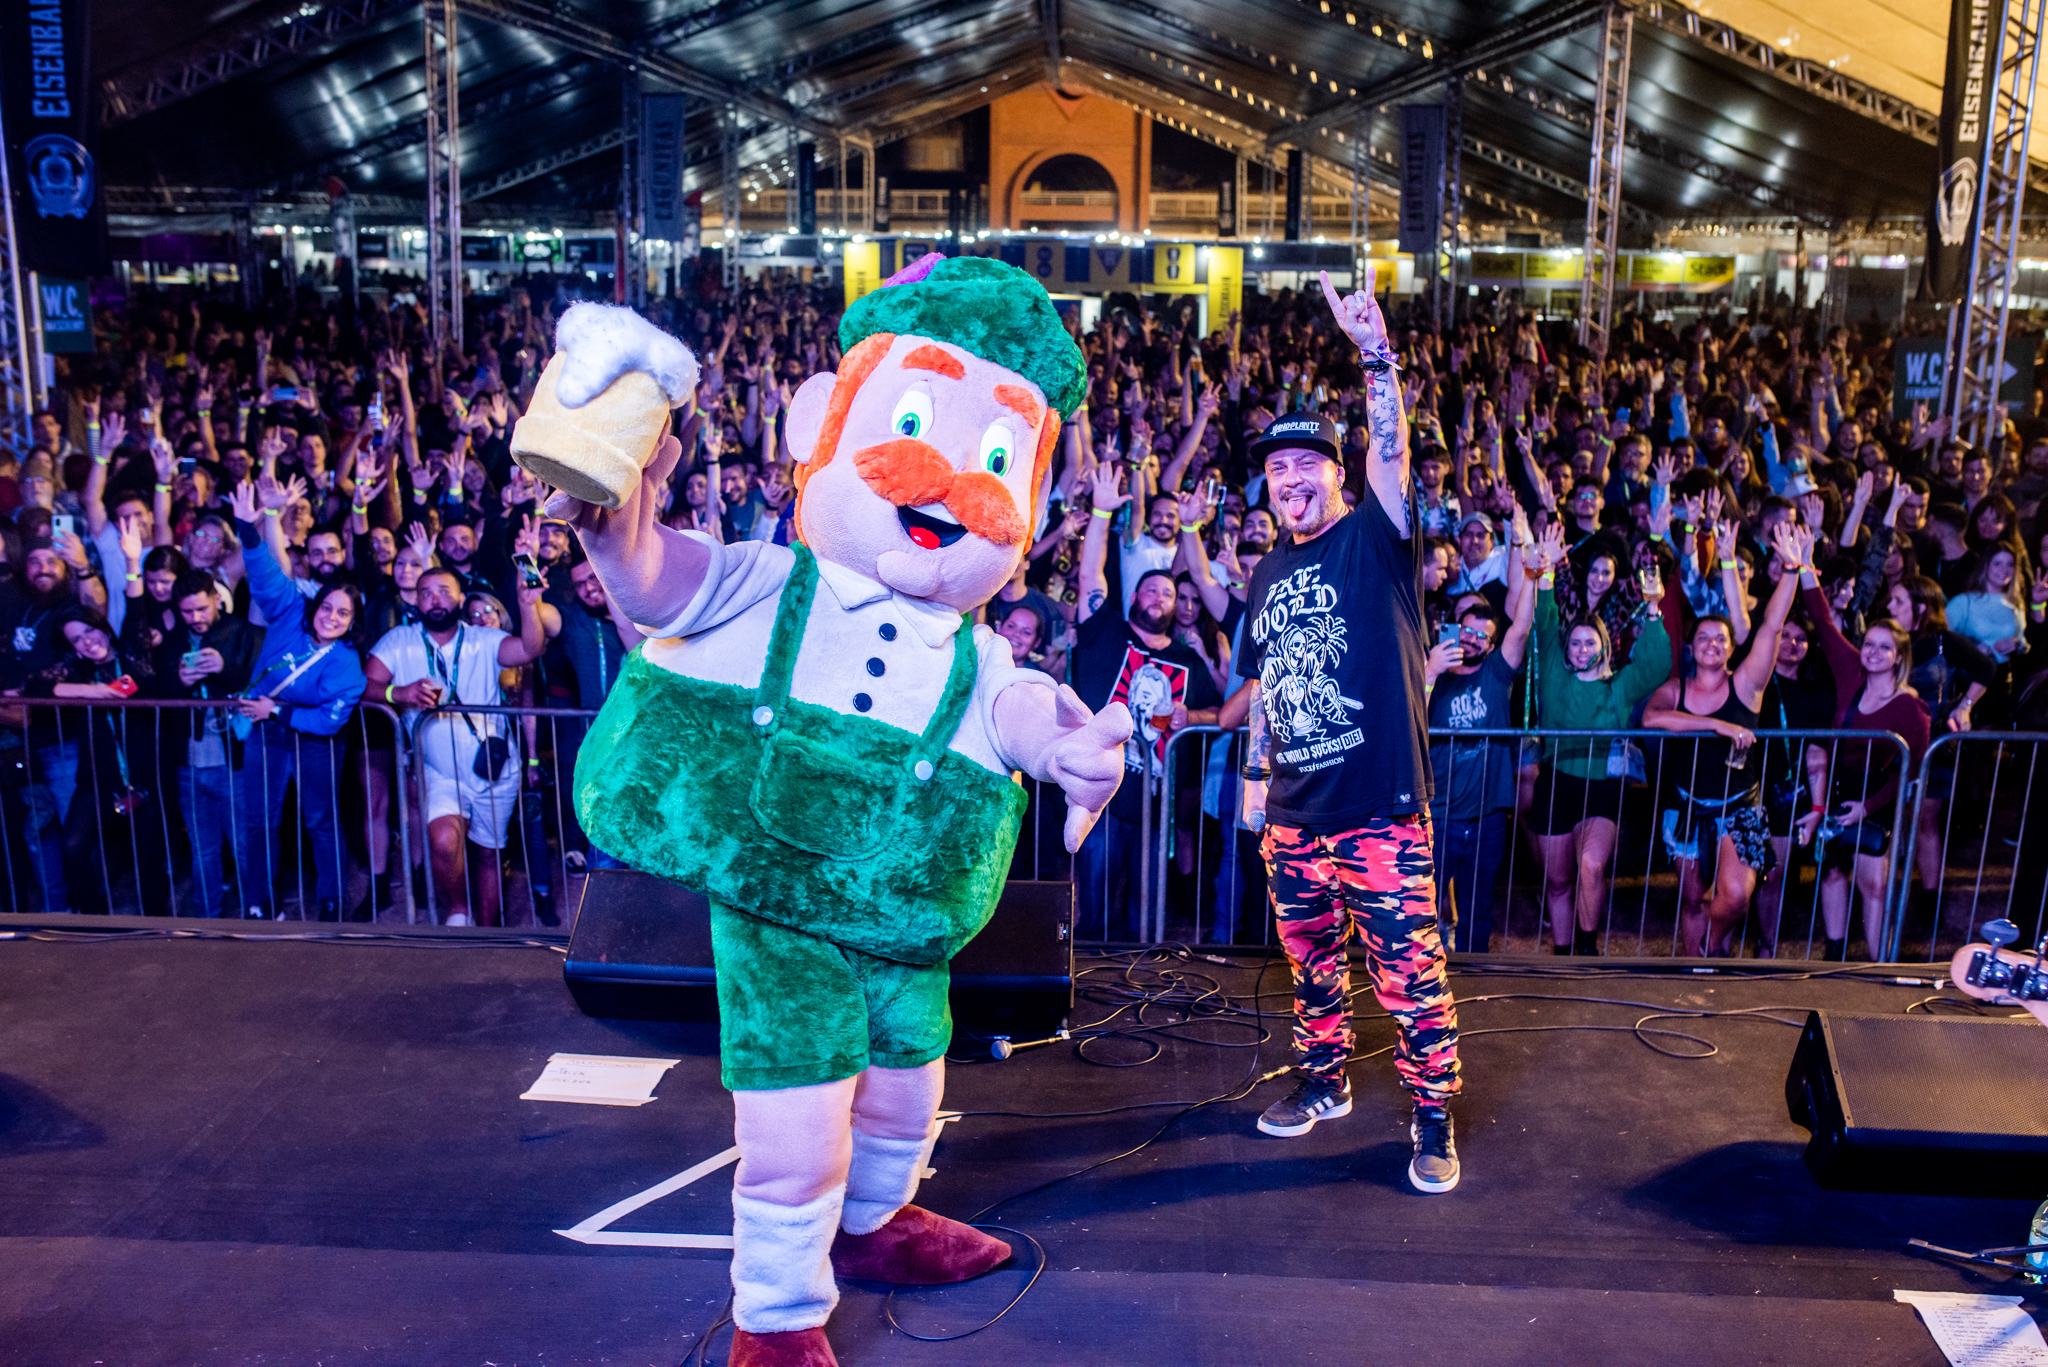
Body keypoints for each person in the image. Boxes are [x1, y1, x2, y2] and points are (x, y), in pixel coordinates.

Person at [1237, 271, 1461, 1196]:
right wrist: (1254, 784)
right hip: (1295, 816)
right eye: (1277, 469)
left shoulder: (1376, 539)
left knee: (1410, 973)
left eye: (1307, 466)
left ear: (1338, 473)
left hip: (1378, 809)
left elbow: (1396, 455)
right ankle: (1323, 1083)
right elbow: (1264, 689)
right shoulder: (1261, 577)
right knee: (1311, 965)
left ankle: (1435, 1115)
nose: (1290, 479)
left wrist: (1376, 352)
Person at [1641, 523, 1808, 957]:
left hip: (1740, 808)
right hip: (1687, 807)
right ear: (1691, 647)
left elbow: (1771, 628)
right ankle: (1699, 966)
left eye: (1720, 638)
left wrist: (1791, 568)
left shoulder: (1747, 685)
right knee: (1693, 897)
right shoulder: (1675, 688)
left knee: (1734, 895)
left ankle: (1710, 949)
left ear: (1732, 647)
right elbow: (1652, 719)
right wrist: (1717, 726)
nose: (1711, 644)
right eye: (1703, 638)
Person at [1073, 463, 1222, 940]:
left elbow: (1220, 715)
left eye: (1170, 594)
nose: (1161, 598)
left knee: (1147, 916)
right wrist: (1100, 512)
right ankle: (1087, 985)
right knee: (1093, 906)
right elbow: (1090, 576)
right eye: (1153, 590)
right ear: (1136, 595)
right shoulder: (1107, 632)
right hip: (1101, 797)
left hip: (1157, 805)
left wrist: (1189, 715)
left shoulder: (1186, 660)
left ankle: (1141, 993)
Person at [364, 561, 547, 927]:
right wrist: (398, 692)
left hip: (495, 770)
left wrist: (528, 605)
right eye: (427, 592)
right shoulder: (399, 641)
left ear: (461, 598)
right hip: (438, 772)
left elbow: (531, 648)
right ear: (415, 600)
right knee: (445, 841)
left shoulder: (483, 639)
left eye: (445, 591)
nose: (435, 599)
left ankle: (489, 930)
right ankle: (458, 912)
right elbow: (365, 686)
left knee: (487, 854)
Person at [1527, 522, 1673, 955]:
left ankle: (1587, 950)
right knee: (1557, 881)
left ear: (1605, 646)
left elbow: (1656, 664)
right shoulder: (1554, 675)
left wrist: (1652, 609)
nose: (1582, 648)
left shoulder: (1619, 686)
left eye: (1591, 642)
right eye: (1575, 642)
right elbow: (1545, 618)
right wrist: (1548, 572)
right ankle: (1562, 950)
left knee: (1590, 866)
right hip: (1556, 781)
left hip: (1602, 787)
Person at [230, 477, 369, 921]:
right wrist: (248, 528)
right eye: (327, 607)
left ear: (352, 623)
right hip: (264, 738)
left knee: (321, 823)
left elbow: (329, 722)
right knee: (259, 822)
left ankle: (331, 900)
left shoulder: (347, 664)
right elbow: (265, 574)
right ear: (316, 605)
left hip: (315, 744)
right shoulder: (289, 611)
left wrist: (279, 710)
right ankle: (258, 902)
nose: (332, 617)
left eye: (343, 613)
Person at [1800, 574, 1931, 960]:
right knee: (1833, 871)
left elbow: (1911, 771)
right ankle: (1834, 955)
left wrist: (1869, 807)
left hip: (1877, 796)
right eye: (1869, 644)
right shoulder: (1850, 674)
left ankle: (1879, 965)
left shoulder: (1911, 707)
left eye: (1884, 647)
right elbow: (1823, 622)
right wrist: (1805, 566)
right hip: (1838, 790)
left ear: (1899, 657)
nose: (1872, 652)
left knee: (1874, 884)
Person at [1424, 582, 1533, 954]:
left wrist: (1532, 575)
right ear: (1454, 627)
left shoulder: (1498, 675)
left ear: (1490, 646)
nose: (1471, 640)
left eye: (1481, 636)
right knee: (1423, 905)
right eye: (1466, 630)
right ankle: (1423, 978)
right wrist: (1430, 671)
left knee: (1478, 907)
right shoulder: (1432, 672)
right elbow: (1405, 718)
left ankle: (1474, 978)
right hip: (1438, 814)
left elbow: (1520, 627)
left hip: (1486, 817)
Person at [151, 568, 263, 917]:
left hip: (236, 759)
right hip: (188, 761)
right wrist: (178, 681)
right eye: (188, 612)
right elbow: (158, 694)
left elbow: (265, 685)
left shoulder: (246, 633)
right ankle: (206, 914)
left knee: (244, 844)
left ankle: (256, 909)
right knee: (203, 848)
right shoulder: (172, 641)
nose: (196, 618)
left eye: (202, 609)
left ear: (217, 599)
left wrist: (226, 668)